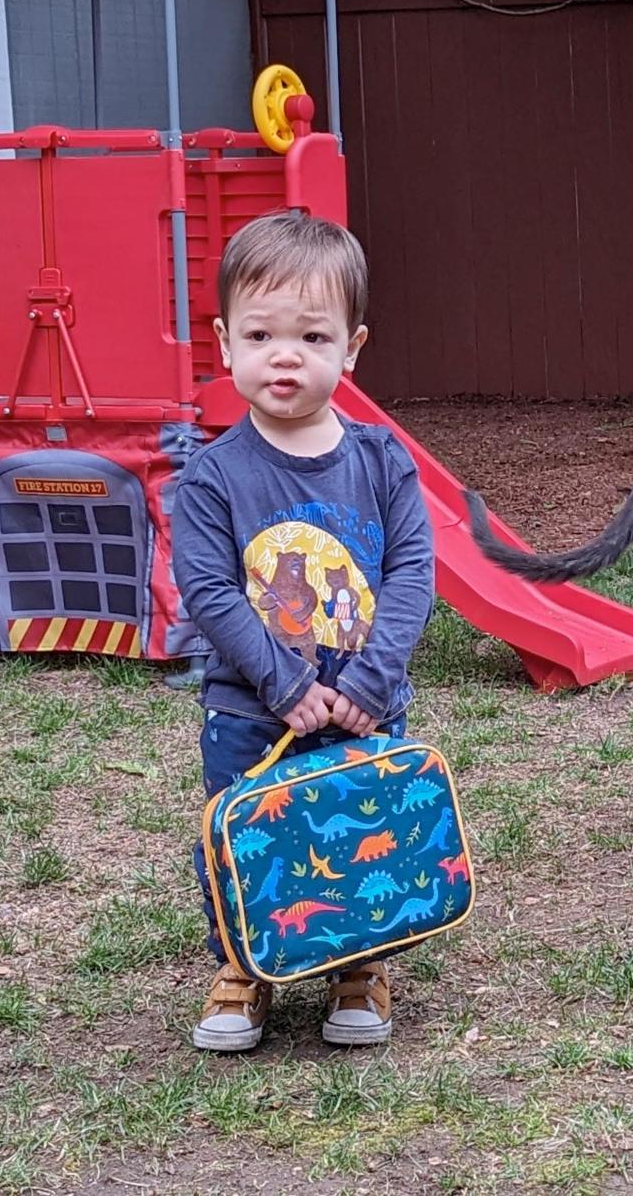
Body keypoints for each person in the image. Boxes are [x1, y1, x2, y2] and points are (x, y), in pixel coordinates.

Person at [173, 209, 433, 1051]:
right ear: (225, 343)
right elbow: (210, 591)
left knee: (361, 830)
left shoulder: (383, 462)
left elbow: (410, 579)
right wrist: (283, 685)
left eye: (312, 336)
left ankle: (360, 966)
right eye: (261, 333)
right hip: (253, 711)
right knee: (250, 835)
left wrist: (370, 684)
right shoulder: (215, 477)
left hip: (365, 709)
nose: (285, 355)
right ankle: (243, 967)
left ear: (351, 348)